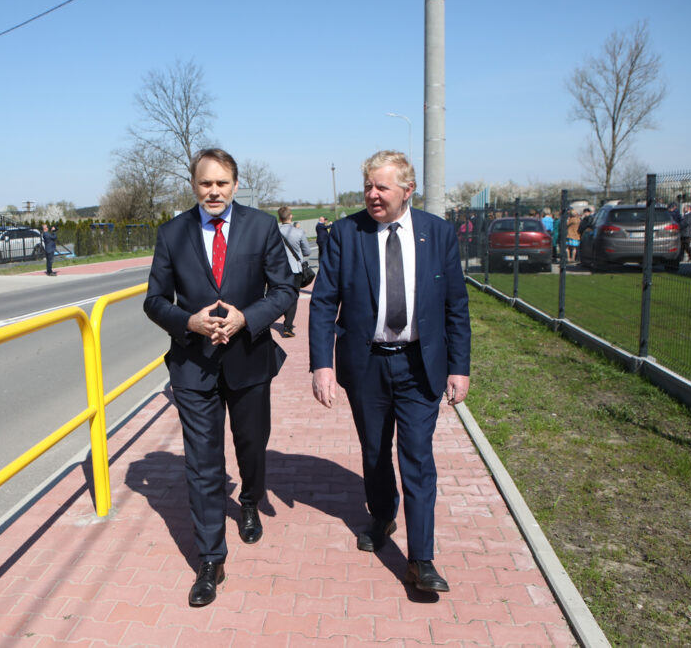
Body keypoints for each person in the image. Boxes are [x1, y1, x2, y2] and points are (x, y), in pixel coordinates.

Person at [309, 150, 471, 593]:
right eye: (368, 186)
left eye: (382, 187)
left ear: (408, 189)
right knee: (376, 451)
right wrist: (322, 364)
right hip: (367, 364)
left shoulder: (438, 233)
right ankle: (382, 515)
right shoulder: (345, 234)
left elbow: (456, 306)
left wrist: (459, 367)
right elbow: (323, 303)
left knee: (417, 456)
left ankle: (421, 559)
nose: (373, 195)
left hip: (420, 364)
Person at [143, 148, 296, 607]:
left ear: (235, 185)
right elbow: (154, 300)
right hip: (194, 366)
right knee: (202, 463)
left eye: (222, 183)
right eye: (205, 183)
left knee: (251, 444)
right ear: (194, 185)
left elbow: (285, 289)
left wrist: (248, 318)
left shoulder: (261, 227)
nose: (213, 191)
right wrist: (187, 321)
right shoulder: (172, 233)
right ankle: (210, 558)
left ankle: (249, 500)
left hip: (249, 359)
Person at [278, 206, 311, 338]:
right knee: (293, 296)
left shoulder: (275, 232)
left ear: (280, 218)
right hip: (295, 269)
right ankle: (288, 326)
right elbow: (307, 251)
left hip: (279, 269)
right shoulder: (299, 232)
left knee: (283, 295)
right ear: (290, 216)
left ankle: (287, 320)